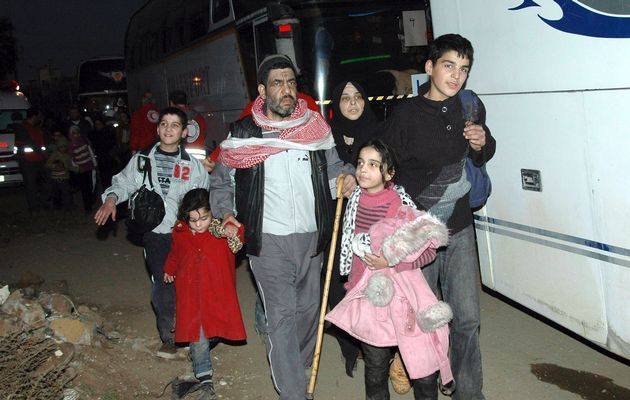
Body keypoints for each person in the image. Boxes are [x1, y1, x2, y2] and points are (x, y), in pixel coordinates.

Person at [209, 54, 356, 400]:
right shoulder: (243, 134)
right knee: (282, 317)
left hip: (312, 238)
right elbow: (221, 183)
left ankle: (297, 362)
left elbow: (334, 167)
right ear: (262, 90)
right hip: (268, 241)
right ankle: (293, 392)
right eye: (277, 83)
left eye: (291, 82)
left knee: (308, 312)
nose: (286, 90)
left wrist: (346, 177)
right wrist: (226, 215)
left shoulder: (315, 128)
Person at [382, 34, 496, 400]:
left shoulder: (469, 106)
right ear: (429, 67)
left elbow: (483, 152)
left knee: (466, 319)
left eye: (464, 69)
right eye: (449, 66)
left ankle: (469, 392)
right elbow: (385, 164)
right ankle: (425, 387)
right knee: (425, 320)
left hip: (460, 227)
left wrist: (482, 143)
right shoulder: (405, 114)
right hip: (419, 233)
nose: (457, 76)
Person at [325, 138, 453, 400]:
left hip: (403, 298)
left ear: (389, 173)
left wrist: (392, 260)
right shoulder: (352, 201)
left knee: (422, 364)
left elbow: (428, 250)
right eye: (360, 163)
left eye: (373, 165)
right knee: (374, 365)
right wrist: (352, 284)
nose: (363, 170)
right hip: (367, 297)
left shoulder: (401, 205)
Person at [94, 107, 211, 359]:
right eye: (164, 124)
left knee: (189, 283)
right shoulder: (141, 160)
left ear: (183, 133)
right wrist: (111, 200)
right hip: (155, 233)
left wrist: (205, 227)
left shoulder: (193, 166)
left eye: (175, 125)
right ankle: (169, 336)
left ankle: (193, 332)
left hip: (185, 234)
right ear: (157, 129)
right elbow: (123, 183)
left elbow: (203, 198)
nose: (169, 129)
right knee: (163, 281)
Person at [163, 188, 246, 400]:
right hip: (190, 294)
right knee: (198, 334)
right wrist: (169, 270)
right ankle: (205, 379)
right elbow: (175, 253)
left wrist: (232, 230)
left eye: (204, 218)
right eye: (193, 220)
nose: (198, 224)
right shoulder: (180, 233)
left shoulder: (220, 232)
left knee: (214, 330)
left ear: (213, 213)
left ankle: (200, 348)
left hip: (217, 292)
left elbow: (240, 237)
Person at [326, 80, 380, 376]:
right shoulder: (327, 136)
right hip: (336, 220)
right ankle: (350, 345)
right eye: (345, 98)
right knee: (338, 282)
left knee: (370, 281)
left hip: (372, 219)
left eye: (358, 96)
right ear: (337, 104)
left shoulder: (379, 132)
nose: (353, 103)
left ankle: (376, 344)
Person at [14, 107, 47, 214]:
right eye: (39, 116)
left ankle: (42, 204)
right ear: (34, 116)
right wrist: (41, 152)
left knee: (44, 183)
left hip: (39, 160)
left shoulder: (36, 128)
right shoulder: (22, 128)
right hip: (28, 161)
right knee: (31, 185)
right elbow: (29, 143)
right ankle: (34, 208)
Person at [67, 125, 97, 214]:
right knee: (84, 188)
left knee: (91, 186)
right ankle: (87, 207)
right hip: (81, 169)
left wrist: (94, 163)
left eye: (77, 132)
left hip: (89, 166)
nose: (76, 135)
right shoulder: (71, 145)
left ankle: (90, 201)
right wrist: (77, 167)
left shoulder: (84, 141)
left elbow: (90, 152)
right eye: (74, 133)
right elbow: (71, 159)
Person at [169, 89, 206, 157]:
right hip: (199, 158)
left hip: (181, 159)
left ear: (171, 103)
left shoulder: (172, 118)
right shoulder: (199, 117)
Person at [44, 136, 76, 213]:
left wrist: (76, 169)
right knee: (56, 194)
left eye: (64, 146)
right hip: (55, 178)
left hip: (65, 178)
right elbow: (47, 164)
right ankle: (57, 207)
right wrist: (55, 166)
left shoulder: (68, 156)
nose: (63, 148)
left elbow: (71, 166)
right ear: (58, 147)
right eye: (61, 147)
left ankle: (67, 208)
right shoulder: (54, 155)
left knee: (66, 194)